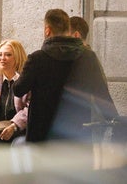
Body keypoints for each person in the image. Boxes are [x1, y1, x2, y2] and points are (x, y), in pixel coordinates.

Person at [13, 9, 118, 143]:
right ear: (68, 29)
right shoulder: (88, 57)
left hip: (42, 135)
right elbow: (101, 93)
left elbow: (18, 90)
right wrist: (115, 121)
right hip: (78, 132)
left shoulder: (37, 58)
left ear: (47, 30)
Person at [0, 39, 29, 143]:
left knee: (19, 144)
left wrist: (14, 125)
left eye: (8, 55)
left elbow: (31, 107)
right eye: (0, 55)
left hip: (20, 130)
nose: (2, 58)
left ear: (17, 57)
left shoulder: (27, 79)